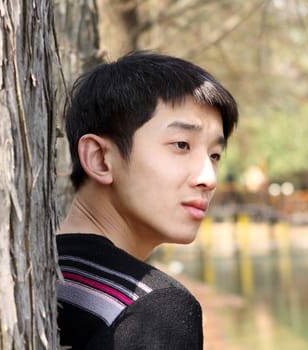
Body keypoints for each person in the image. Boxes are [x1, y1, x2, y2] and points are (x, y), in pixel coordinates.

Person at [56, 51, 238, 349]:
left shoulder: (34, 277)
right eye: (181, 145)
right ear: (100, 158)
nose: (209, 178)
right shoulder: (155, 308)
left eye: (214, 155)